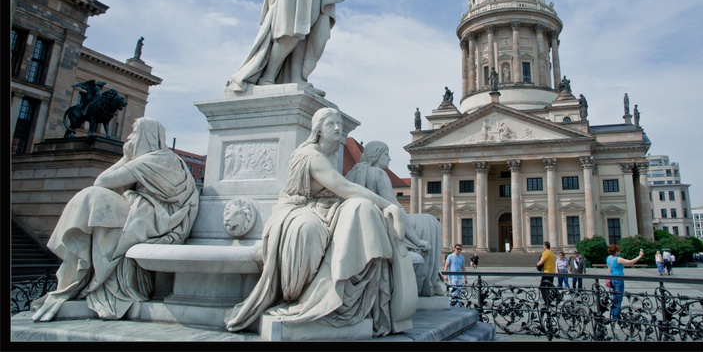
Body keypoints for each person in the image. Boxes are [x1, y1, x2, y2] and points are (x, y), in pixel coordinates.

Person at [225, 108, 415, 336]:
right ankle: (308, 296)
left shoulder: (332, 155)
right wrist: (389, 205)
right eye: (331, 124)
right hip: (298, 209)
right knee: (308, 230)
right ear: (318, 130)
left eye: (339, 123)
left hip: (325, 208)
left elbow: (342, 191)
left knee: (362, 209)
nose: (337, 128)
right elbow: (344, 188)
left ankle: (345, 294)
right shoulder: (312, 155)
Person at [31, 118, 200, 322]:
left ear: (146, 136)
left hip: (154, 218)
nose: (129, 138)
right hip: (154, 216)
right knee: (93, 200)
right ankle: (84, 274)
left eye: (134, 133)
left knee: (91, 197)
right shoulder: (168, 158)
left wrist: (125, 157)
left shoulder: (151, 160)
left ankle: (83, 275)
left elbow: (102, 182)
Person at [345, 141, 444, 297]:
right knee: (430, 222)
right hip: (383, 223)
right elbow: (396, 208)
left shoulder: (352, 172)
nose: (390, 158)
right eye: (386, 154)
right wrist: (416, 241)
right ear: (376, 155)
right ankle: (429, 283)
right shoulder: (378, 174)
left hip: (363, 224)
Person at [606, 244, 644, 321]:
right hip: (618, 279)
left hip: (612, 278)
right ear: (616, 251)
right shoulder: (618, 259)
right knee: (618, 297)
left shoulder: (608, 258)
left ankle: (614, 313)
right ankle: (616, 316)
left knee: (615, 297)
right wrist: (640, 256)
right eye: (618, 250)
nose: (619, 251)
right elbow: (630, 262)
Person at [536, 241, 556, 306]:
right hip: (552, 272)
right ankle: (549, 299)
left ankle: (548, 301)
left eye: (543, 245)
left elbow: (542, 261)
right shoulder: (552, 253)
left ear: (545, 246)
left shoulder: (545, 252)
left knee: (542, 287)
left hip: (547, 272)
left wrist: (537, 264)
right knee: (548, 287)